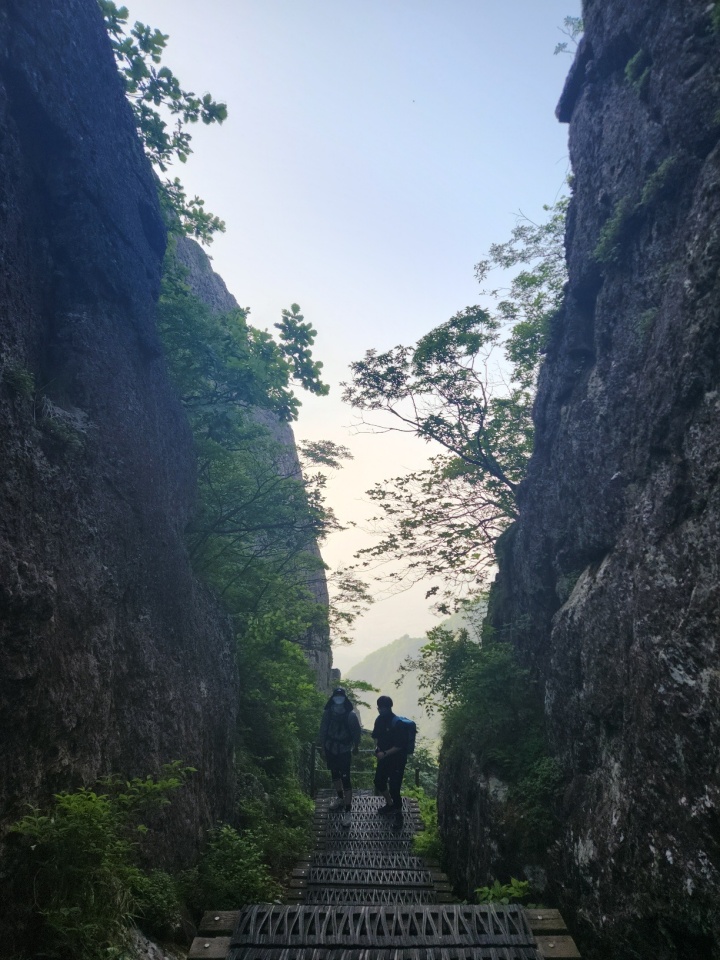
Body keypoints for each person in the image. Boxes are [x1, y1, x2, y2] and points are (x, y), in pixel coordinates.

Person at [319, 686, 361, 827]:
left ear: (344, 698)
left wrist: (355, 747)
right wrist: (323, 748)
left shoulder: (351, 715)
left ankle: (348, 811)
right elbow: (323, 730)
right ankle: (339, 797)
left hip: (343, 750)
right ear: (333, 698)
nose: (338, 699)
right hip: (331, 748)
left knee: (345, 778)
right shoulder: (328, 713)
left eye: (340, 696)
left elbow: (356, 733)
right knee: (334, 774)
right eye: (336, 696)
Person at [372, 694, 410, 828]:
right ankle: (390, 804)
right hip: (384, 757)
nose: (381, 710)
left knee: (394, 787)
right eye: (380, 708)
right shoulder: (379, 720)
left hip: (397, 760)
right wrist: (377, 749)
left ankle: (399, 815)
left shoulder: (397, 723)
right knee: (379, 781)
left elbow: (400, 746)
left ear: (389, 707)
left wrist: (385, 753)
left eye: (383, 708)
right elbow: (376, 736)